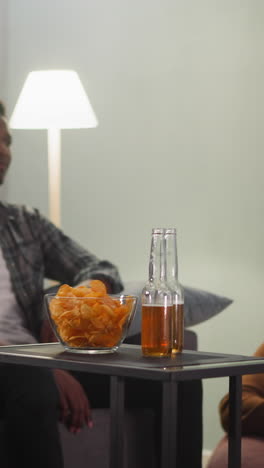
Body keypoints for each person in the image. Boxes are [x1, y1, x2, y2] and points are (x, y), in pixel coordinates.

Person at [0, 100, 203, 468]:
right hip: (19, 369)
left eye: (7, 141)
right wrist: (44, 368)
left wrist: (75, 304)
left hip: (40, 360)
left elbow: (96, 267)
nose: (4, 152)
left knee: (175, 379)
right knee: (29, 383)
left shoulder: (23, 223)